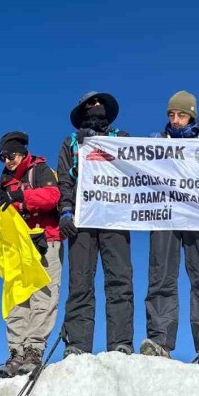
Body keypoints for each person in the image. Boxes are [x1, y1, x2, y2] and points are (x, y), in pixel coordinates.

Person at [140, 91, 199, 367]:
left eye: (181, 114)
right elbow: (134, 164)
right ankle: (159, 339)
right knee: (161, 275)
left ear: (191, 116)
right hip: (164, 216)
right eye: (171, 115)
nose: (176, 119)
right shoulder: (157, 142)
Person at [57, 91, 134, 357]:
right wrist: (65, 211)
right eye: (91, 104)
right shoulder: (71, 143)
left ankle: (121, 342)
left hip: (115, 216)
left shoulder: (122, 139)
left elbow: (141, 169)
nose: (96, 107)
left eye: (100, 103)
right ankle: (77, 343)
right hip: (83, 216)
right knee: (79, 281)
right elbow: (64, 181)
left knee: (120, 279)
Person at [0, 131, 62, 377]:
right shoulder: (3, 182)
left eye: (10, 155)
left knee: (43, 296)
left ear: (22, 153)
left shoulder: (40, 170)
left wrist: (21, 196)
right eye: (2, 157)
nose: (7, 161)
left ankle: (34, 349)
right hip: (18, 247)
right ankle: (16, 351)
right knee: (18, 298)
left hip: (45, 241)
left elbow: (53, 197)